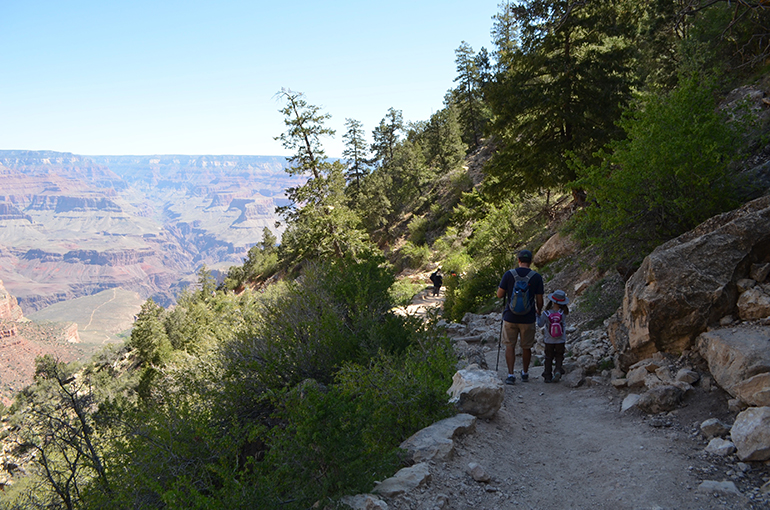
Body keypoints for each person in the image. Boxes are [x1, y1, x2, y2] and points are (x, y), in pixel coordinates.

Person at [497, 249, 544, 384]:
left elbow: (500, 295)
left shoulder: (509, 274)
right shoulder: (536, 277)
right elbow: (539, 299)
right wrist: (538, 310)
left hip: (510, 317)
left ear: (518, 260)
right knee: (526, 346)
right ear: (531, 261)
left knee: (509, 346)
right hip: (528, 318)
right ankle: (525, 373)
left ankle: (511, 375)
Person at [538, 289, 569, 383]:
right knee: (559, 355)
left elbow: (540, 324)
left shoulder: (546, 313)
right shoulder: (563, 313)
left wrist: (537, 315)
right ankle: (558, 370)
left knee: (548, 357)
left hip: (549, 340)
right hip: (561, 340)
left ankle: (547, 375)